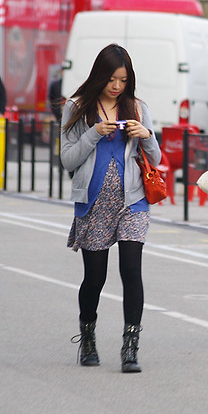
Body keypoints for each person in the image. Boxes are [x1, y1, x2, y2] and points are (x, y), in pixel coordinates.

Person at [60, 44, 161, 372]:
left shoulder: (136, 106)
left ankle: (130, 347)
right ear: (99, 76)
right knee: (95, 277)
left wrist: (146, 134)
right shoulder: (77, 107)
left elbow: (156, 158)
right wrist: (93, 134)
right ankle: (87, 337)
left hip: (132, 202)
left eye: (123, 79)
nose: (116, 86)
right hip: (94, 204)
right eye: (111, 79)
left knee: (132, 271)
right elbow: (68, 159)